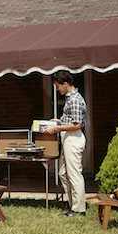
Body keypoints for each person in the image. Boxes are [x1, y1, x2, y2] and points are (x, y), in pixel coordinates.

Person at [43, 70, 87, 217]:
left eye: (58, 86)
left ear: (66, 84)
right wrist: (59, 121)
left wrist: (57, 128)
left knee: (74, 173)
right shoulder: (70, 98)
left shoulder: (74, 99)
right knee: (63, 173)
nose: (57, 89)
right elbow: (70, 120)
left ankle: (78, 208)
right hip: (68, 137)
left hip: (73, 138)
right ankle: (75, 202)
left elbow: (77, 125)